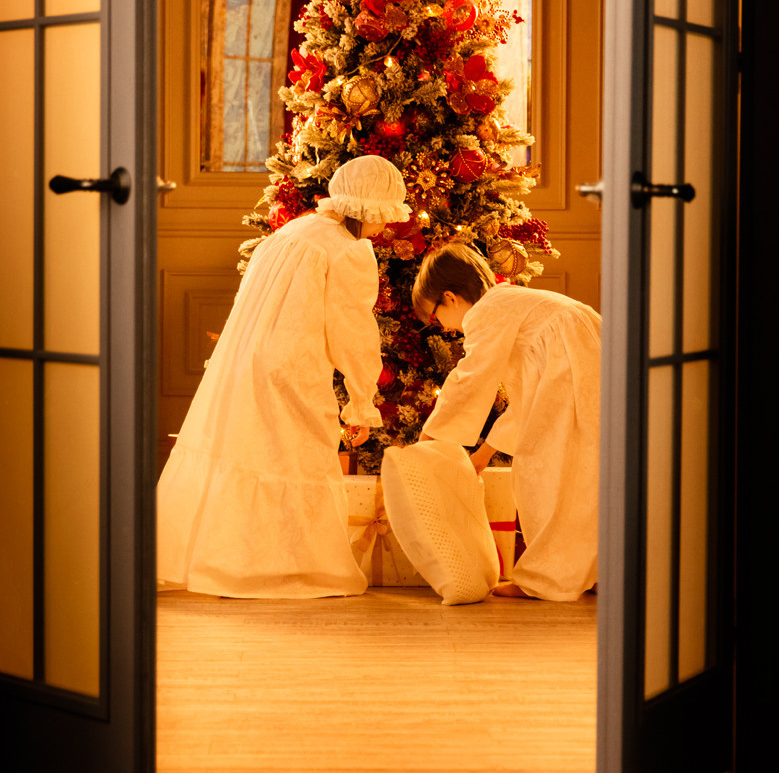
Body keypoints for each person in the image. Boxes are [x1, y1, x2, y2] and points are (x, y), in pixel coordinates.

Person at [157, 155, 411, 599]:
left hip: (246, 358)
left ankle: (220, 563)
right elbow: (351, 331)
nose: (383, 228)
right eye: (382, 216)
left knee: (244, 453)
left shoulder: (292, 232)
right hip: (295, 365)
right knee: (299, 461)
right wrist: (360, 398)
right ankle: (291, 569)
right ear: (369, 208)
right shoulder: (350, 250)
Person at [412, 243, 601, 601]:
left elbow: (470, 377)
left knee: (543, 473)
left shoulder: (487, 312)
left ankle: (546, 578)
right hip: (591, 366)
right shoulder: (514, 305)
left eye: (436, 316)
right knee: (586, 472)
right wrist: (483, 455)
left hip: (574, 368)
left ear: (449, 298)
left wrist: (431, 435)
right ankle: (595, 570)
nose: (444, 328)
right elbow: (525, 402)